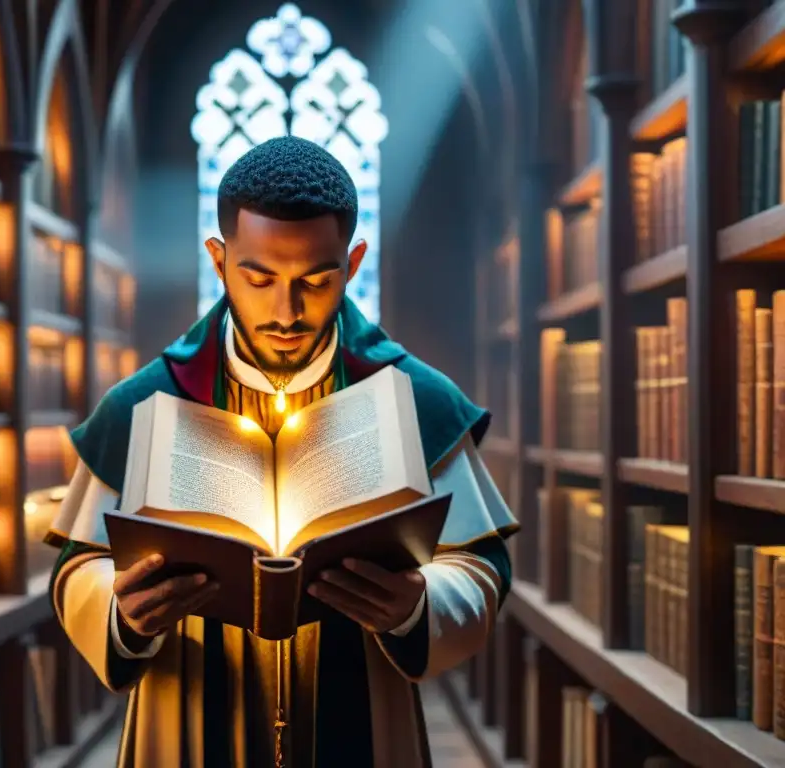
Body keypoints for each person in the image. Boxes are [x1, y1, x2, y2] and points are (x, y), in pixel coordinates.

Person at [47, 135, 518, 768]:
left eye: (316, 280)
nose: (287, 311)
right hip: (188, 711)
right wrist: (123, 610)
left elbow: (480, 567)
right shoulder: (143, 405)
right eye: (260, 277)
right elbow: (80, 567)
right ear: (219, 260)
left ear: (352, 264)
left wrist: (417, 607)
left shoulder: (415, 399)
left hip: (362, 717)